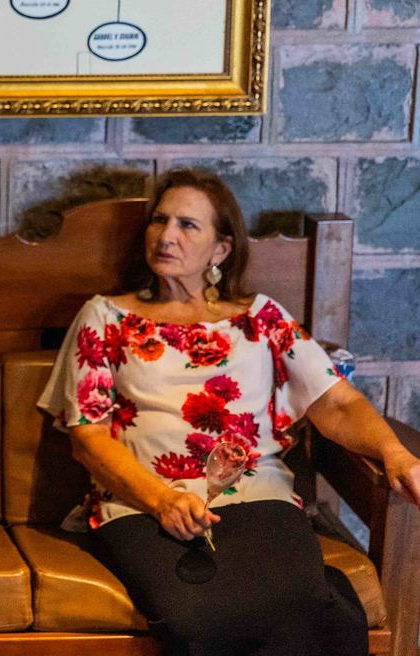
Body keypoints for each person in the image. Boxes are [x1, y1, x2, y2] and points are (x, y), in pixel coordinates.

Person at [38, 167, 420, 656]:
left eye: (187, 225)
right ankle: (329, 601)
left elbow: (338, 401)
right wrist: (161, 500)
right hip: (143, 504)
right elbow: (87, 437)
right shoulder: (105, 317)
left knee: (297, 605)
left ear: (221, 249)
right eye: (159, 220)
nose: (166, 235)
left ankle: (322, 599)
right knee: (194, 618)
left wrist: (394, 452)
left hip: (257, 496)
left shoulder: (261, 318)